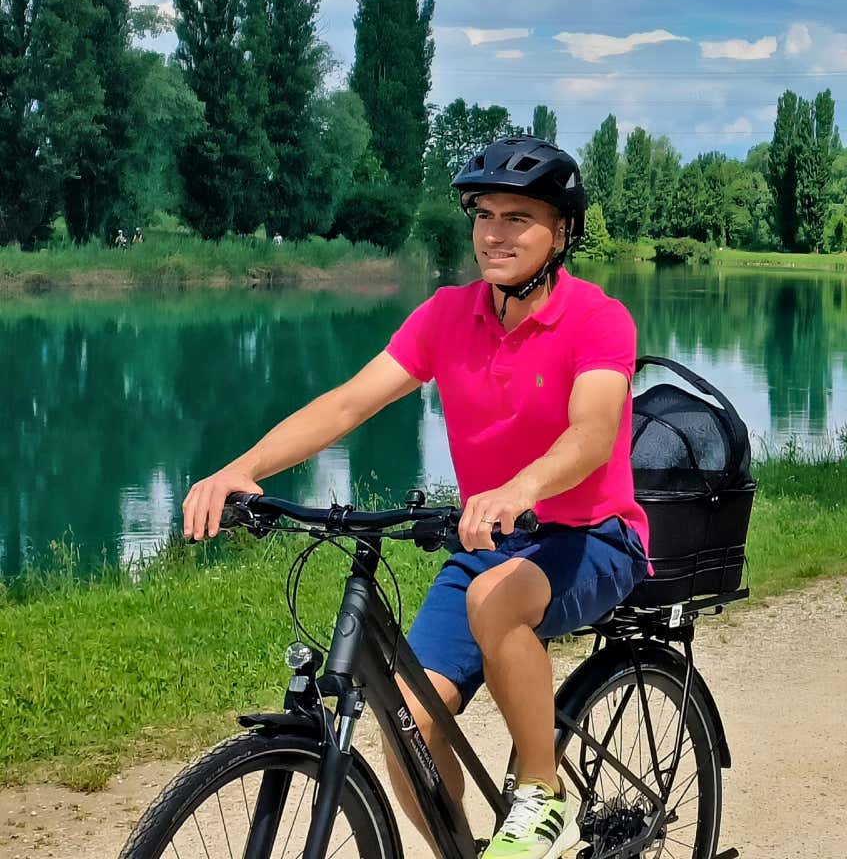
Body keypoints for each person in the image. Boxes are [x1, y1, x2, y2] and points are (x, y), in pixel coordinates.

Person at [181, 134, 644, 859]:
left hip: (592, 535)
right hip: (491, 542)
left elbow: (591, 432)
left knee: (495, 601)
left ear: (561, 232)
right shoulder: (445, 317)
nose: (494, 232)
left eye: (517, 217)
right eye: (484, 214)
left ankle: (544, 796)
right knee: (408, 723)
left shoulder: (598, 319)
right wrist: (241, 467)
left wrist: (519, 488)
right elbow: (345, 406)